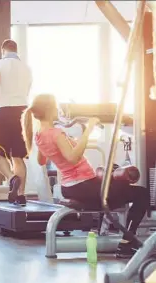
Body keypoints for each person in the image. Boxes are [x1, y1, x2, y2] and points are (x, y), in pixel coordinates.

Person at [21, 94, 150, 258]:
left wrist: (67, 143)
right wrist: (88, 131)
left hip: (71, 187)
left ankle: (123, 238)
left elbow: (41, 160)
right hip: (84, 187)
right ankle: (127, 242)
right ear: (49, 109)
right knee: (141, 193)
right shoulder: (55, 134)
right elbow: (72, 157)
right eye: (55, 106)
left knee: (119, 183)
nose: (57, 109)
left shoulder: (40, 135)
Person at [0, 39, 33, 206]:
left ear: (3, 50)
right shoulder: (26, 68)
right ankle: (21, 196)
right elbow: (26, 92)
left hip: (4, 111)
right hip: (23, 113)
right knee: (18, 157)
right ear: (16, 50)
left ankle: (12, 178)